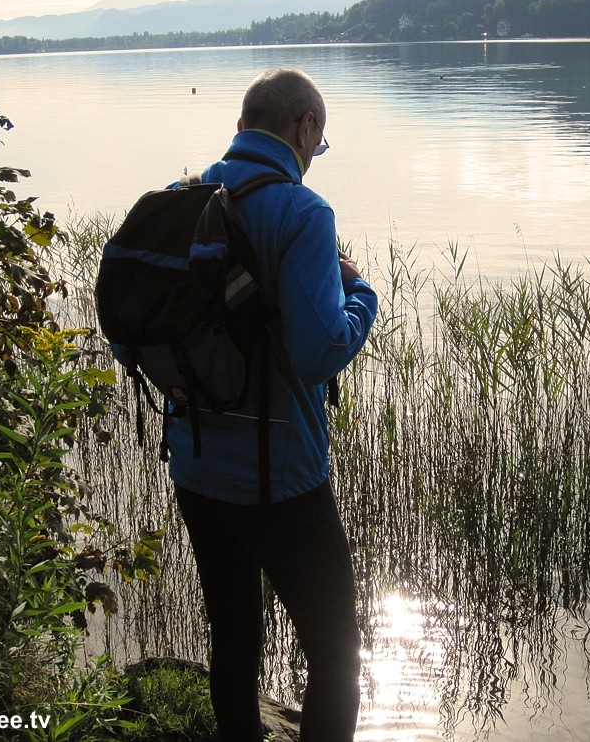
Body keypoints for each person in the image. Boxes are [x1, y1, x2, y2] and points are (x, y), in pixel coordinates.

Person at [166, 68, 378, 742]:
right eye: (318, 142)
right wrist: (363, 290)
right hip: (281, 481)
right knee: (337, 651)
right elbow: (320, 352)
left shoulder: (183, 201)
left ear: (239, 126)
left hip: (197, 472)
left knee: (233, 637)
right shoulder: (302, 213)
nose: (315, 155)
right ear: (305, 130)